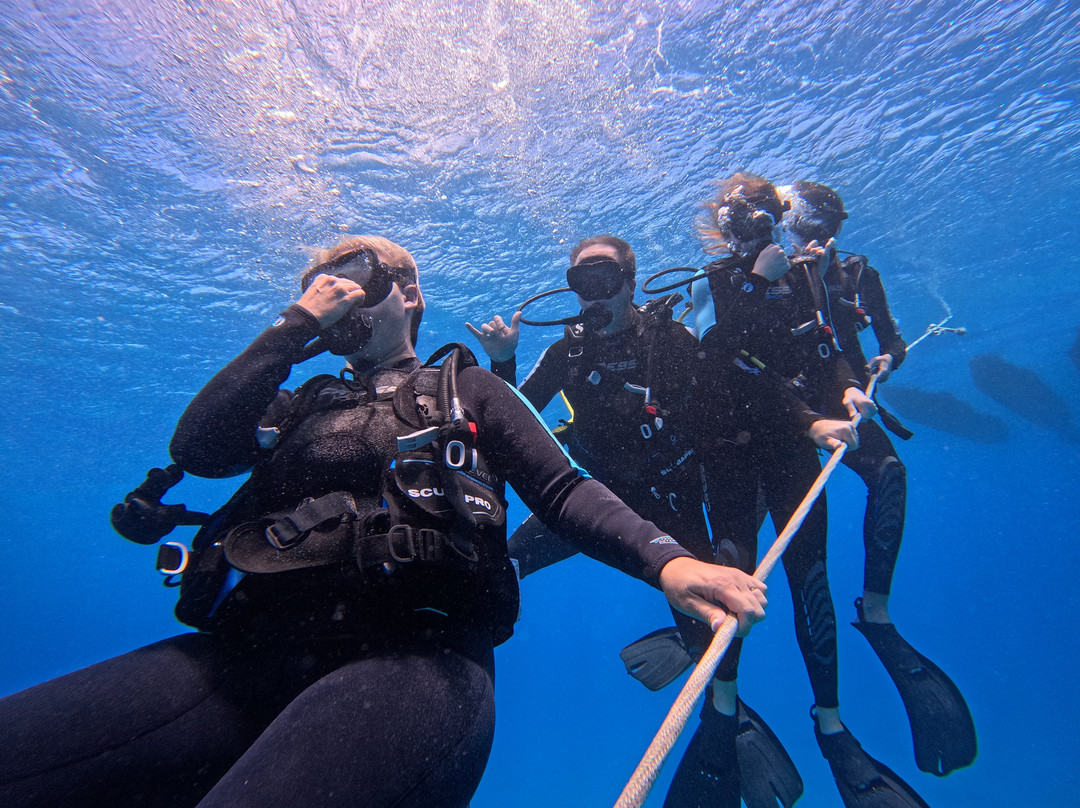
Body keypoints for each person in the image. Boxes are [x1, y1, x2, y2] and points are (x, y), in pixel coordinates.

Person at [0, 235, 768, 808]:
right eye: (320, 282)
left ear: (409, 295)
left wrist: (669, 563)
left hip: (420, 660)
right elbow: (197, 450)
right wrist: (293, 325)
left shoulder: (465, 389)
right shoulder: (296, 404)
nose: (337, 289)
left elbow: (562, 491)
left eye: (356, 274)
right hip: (242, 648)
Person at [469, 235, 801, 808]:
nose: (591, 296)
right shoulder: (568, 352)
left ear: (629, 281)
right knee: (494, 568)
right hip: (591, 500)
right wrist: (503, 358)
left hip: (669, 499)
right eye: (580, 283)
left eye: (603, 280)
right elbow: (512, 420)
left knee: (710, 606)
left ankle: (726, 709)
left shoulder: (667, 340)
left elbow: (727, 404)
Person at [685, 173, 933, 808]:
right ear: (724, 222)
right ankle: (723, 704)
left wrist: (847, 384)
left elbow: (824, 347)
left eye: (769, 209)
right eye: (744, 212)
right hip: (732, 449)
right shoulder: (707, 282)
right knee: (733, 568)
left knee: (809, 578)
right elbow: (719, 355)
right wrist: (759, 279)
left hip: (792, 448)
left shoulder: (802, 277)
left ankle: (831, 723)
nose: (759, 221)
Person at [780, 181, 977, 777]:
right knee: (806, 556)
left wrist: (888, 359)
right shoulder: (776, 274)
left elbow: (889, 335)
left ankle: (877, 607)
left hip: (845, 395)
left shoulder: (860, 272)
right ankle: (830, 717)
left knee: (890, 472)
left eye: (828, 227)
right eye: (810, 229)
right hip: (786, 405)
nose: (819, 239)